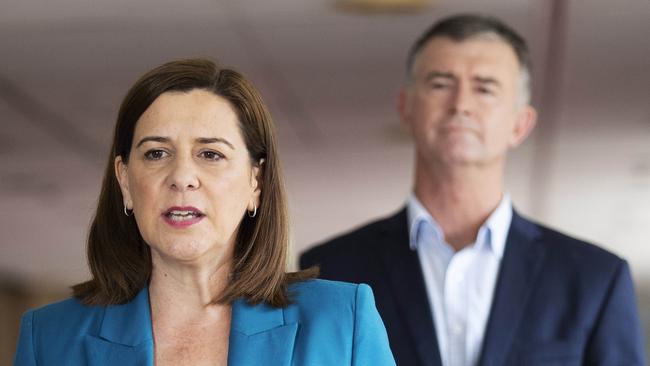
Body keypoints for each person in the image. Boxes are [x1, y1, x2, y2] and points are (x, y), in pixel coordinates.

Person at [300, 14, 645, 366]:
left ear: (520, 124)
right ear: (405, 107)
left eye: (485, 88)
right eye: (440, 83)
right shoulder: (330, 269)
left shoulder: (594, 279)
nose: (460, 104)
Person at [13, 58, 395, 366]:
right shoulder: (49, 339)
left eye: (210, 154)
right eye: (156, 153)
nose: (182, 177)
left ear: (255, 183)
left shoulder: (342, 320)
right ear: (125, 181)